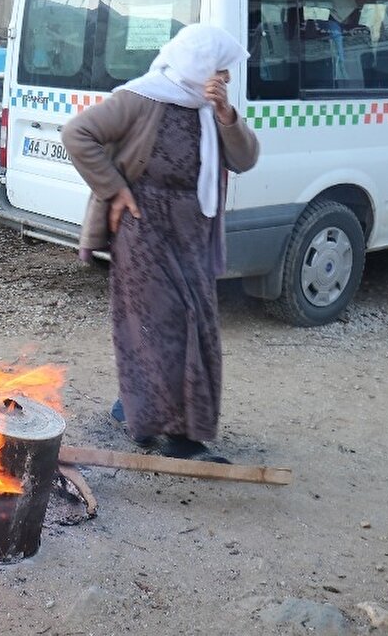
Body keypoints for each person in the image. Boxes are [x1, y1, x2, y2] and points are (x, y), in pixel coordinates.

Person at [61, 24, 259, 464]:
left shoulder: (210, 108)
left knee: (195, 323)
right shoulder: (140, 97)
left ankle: (138, 410)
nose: (225, 79)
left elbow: (246, 159)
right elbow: (78, 135)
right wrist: (115, 188)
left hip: (194, 230)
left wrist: (227, 116)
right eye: (220, 71)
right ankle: (179, 437)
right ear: (196, 64)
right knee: (160, 323)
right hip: (143, 227)